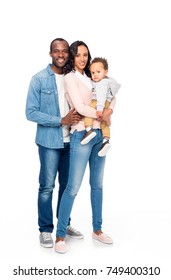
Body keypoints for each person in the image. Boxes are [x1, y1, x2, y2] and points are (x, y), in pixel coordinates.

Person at [55, 41, 116, 254]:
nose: (83, 58)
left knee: (97, 185)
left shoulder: (93, 75)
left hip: (99, 134)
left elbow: (111, 96)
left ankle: (97, 230)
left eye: (85, 54)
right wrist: (101, 114)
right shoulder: (70, 77)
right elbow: (79, 108)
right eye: (79, 54)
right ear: (72, 56)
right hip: (81, 134)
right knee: (72, 187)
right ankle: (60, 235)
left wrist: (108, 112)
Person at [25, 38, 84, 249]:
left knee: (67, 187)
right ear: (50, 53)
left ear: (68, 54)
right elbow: (30, 112)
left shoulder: (73, 78)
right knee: (47, 187)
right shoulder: (39, 79)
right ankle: (45, 229)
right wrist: (61, 121)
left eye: (64, 51)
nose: (61, 55)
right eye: (56, 51)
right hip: (49, 143)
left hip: (73, 142)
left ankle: (64, 224)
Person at [80, 57, 121, 157]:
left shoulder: (102, 83)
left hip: (99, 102)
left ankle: (89, 130)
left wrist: (98, 109)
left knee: (88, 113)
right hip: (106, 103)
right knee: (104, 124)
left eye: (98, 72)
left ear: (106, 72)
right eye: (93, 73)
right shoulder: (107, 82)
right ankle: (106, 140)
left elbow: (101, 97)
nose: (95, 75)